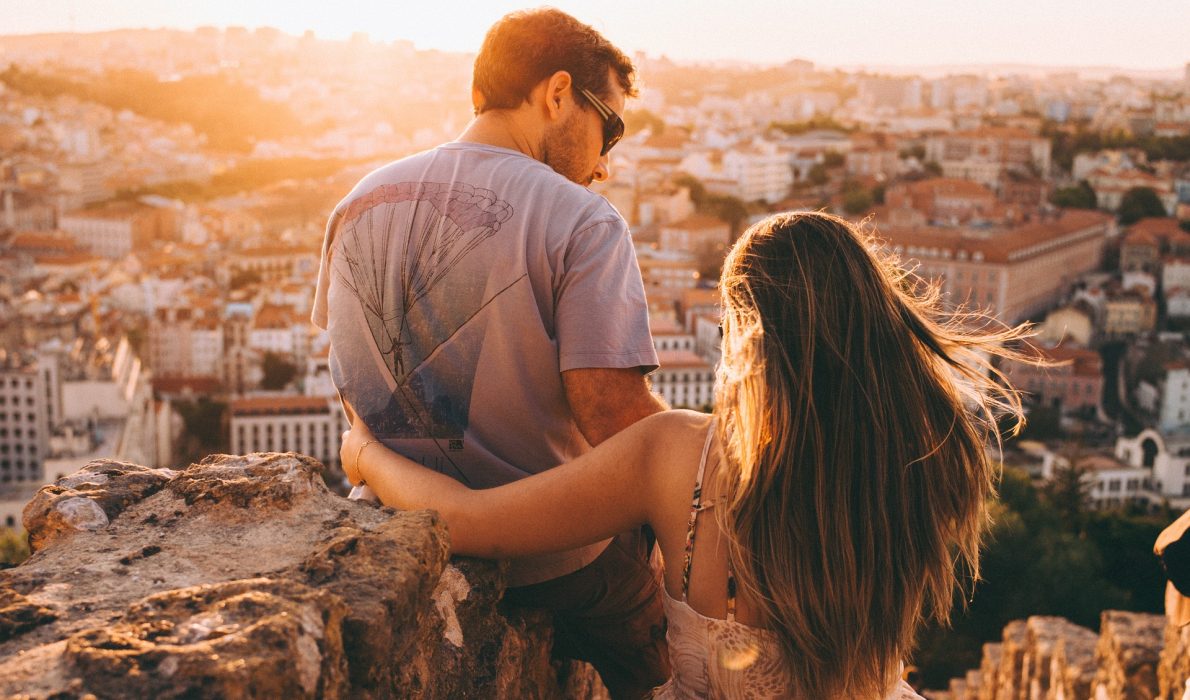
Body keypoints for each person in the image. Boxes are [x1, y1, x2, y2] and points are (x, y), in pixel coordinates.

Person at [341, 211, 1030, 699]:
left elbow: (468, 522)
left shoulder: (677, 456)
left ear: (744, 332)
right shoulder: (931, 459)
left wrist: (367, 452)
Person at [311, 8, 670, 697]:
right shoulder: (583, 221)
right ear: (557, 93)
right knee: (676, 656)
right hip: (555, 560)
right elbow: (614, 419)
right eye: (610, 128)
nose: (602, 163)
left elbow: (351, 376)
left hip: (395, 523)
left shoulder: (356, 201)